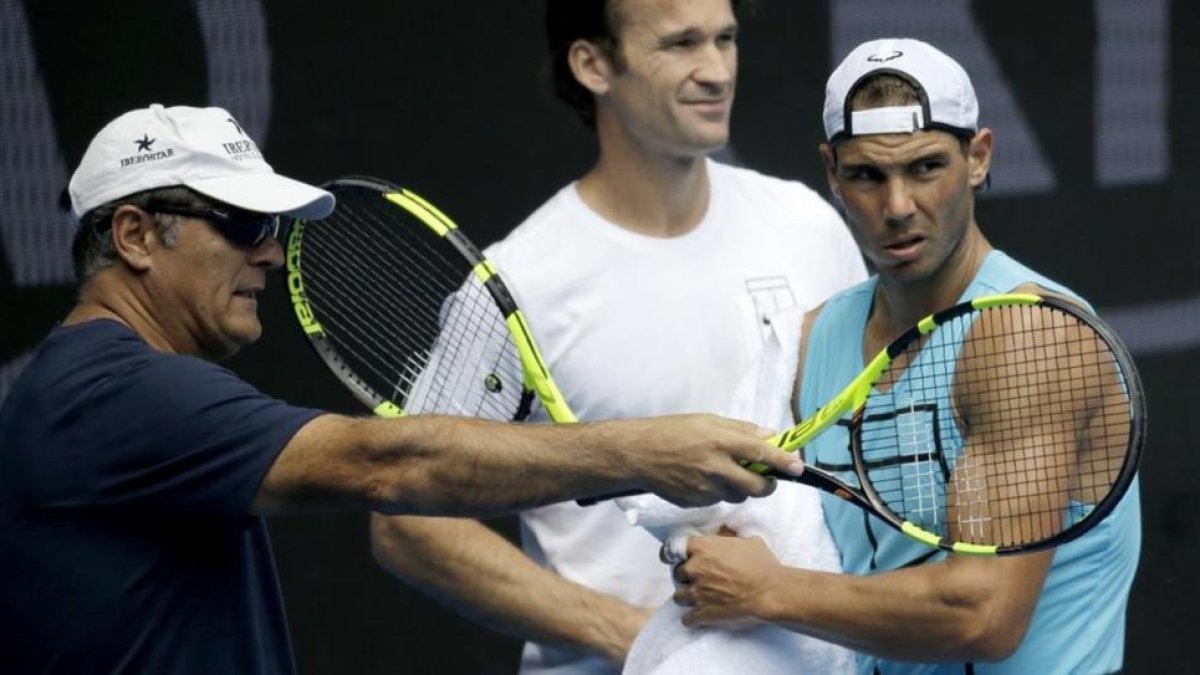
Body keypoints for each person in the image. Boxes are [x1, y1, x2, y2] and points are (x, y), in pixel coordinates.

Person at [0, 103, 809, 674]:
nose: (273, 257)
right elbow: (383, 464)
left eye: (275, 232)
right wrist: (644, 451)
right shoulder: (107, 390)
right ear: (136, 236)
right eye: (244, 226)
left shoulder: (102, 389)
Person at [370, 0, 866, 673]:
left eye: (726, 39)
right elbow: (407, 519)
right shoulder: (521, 281)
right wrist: (636, 638)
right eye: (681, 44)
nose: (717, 70)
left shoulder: (807, 226)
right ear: (593, 63)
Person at [671, 38, 1142, 673]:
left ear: (978, 157)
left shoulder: (1030, 335)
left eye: (925, 167)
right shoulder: (810, 343)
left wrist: (765, 589)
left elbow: (983, 614)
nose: (897, 207)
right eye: (867, 174)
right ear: (832, 173)